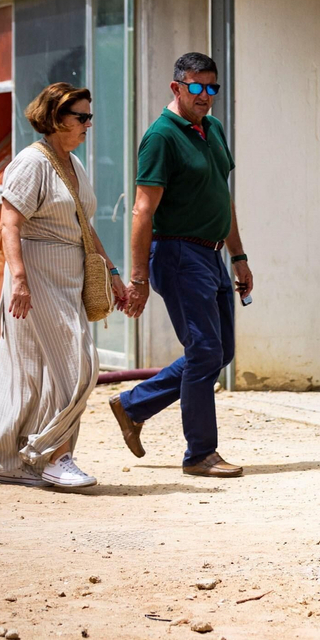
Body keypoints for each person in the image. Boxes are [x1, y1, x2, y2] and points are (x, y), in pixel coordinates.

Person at [0, 83, 129, 489]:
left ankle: (8, 459)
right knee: (79, 366)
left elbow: (82, 223)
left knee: (32, 372)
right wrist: (19, 280)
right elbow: (9, 222)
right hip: (38, 274)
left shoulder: (72, 163)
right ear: (57, 118)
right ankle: (54, 456)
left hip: (69, 274)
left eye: (90, 116)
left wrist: (111, 272)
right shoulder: (31, 162)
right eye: (82, 116)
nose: (89, 123)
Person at [110, 52, 252, 477]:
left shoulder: (214, 129)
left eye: (212, 87)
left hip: (211, 253)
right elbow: (141, 211)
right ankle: (200, 454)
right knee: (205, 350)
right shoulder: (161, 137)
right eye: (196, 87)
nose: (205, 96)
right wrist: (138, 278)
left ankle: (133, 405)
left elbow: (221, 197)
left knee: (220, 351)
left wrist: (238, 256)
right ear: (177, 88)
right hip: (176, 253)